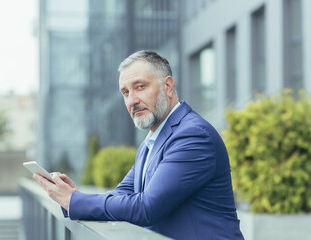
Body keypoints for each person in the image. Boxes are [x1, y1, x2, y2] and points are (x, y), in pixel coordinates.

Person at [34, 50, 244, 240]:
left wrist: (74, 202)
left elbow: (147, 207)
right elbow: (122, 195)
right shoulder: (150, 143)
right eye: (125, 92)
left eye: (140, 87)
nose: (132, 100)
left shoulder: (193, 136)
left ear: (168, 86)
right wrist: (75, 198)